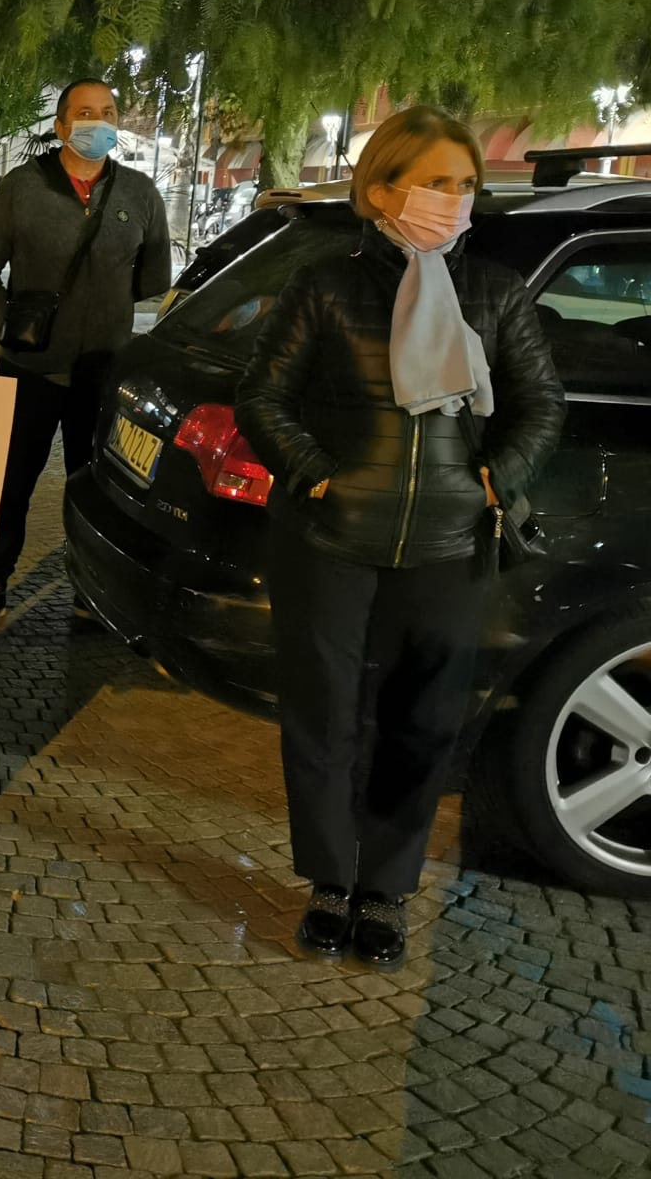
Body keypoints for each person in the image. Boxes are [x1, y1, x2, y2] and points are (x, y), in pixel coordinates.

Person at [234, 106, 564, 968]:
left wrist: (499, 474)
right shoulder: (326, 284)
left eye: (466, 184)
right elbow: (261, 398)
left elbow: (539, 404)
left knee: (416, 723)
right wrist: (316, 474)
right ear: (382, 188)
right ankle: (329, 881)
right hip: (330, 537)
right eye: (436, 182)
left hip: (451, 546)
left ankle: (384, 888)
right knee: (325, 718)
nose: (454, 200)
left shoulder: (492, 291)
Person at [0, 78, 172, 623]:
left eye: (107, 111)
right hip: (30, 369)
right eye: (84, 112)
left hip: (103, 373)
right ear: (60, 126)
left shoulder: (140, 194)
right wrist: (4, 321)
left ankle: (91, 587)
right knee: (10, 481)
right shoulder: (20, 188)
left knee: (98, 488)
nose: (97, 122)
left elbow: (153, 278)